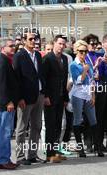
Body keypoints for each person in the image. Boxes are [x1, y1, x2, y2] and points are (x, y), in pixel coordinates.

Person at [13, 31, 45, 165]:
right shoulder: (19, 56)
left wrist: (44, 93)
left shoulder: (37, 54)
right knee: (21, 128)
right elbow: (16, 79)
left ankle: (32, 154)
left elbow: (40, 75)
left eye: (35, 38)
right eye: (31, 39)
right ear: (24, 41)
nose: (34, 41)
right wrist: (19, 98)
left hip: (38, 95)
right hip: (25, 98)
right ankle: (20, 156)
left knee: (36, 126)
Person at [70, 40, 104, 157]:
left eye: (85, 51)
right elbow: (77, 81)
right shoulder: (73, 65)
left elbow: (91, 81)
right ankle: (80, 149)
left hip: (88, 95)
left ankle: (98, 147)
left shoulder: (87, 63)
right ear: (76, 52)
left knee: (94, 121)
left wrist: (93, 95)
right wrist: (84, 70)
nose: (83, 54)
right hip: (78, 95)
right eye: (81, 52)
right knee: (78, 121)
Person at [0, 39, 19, 170]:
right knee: (5, 132)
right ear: (3, 48)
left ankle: (4, 159)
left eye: (14, 45)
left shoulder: (7, 61)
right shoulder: (2, 63)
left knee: (7, 132)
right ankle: (2, 160)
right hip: (5, 104)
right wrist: (8, 101)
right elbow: (1, 85)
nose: (13, 48)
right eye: (10, 46)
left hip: (9, 103)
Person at [43, 35, 69, 163]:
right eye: (59, 43)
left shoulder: (64, 58)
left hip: (60, 97)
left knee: (58, 125)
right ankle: (49, 154)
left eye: (64, 44)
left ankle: (55, 151)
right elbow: (43, 79)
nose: (62, 46)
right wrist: (46, 96)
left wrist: (65, 97)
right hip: (50, 98)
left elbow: (64, 80)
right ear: (54, 43)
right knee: (50, 126)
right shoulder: (47, 58)